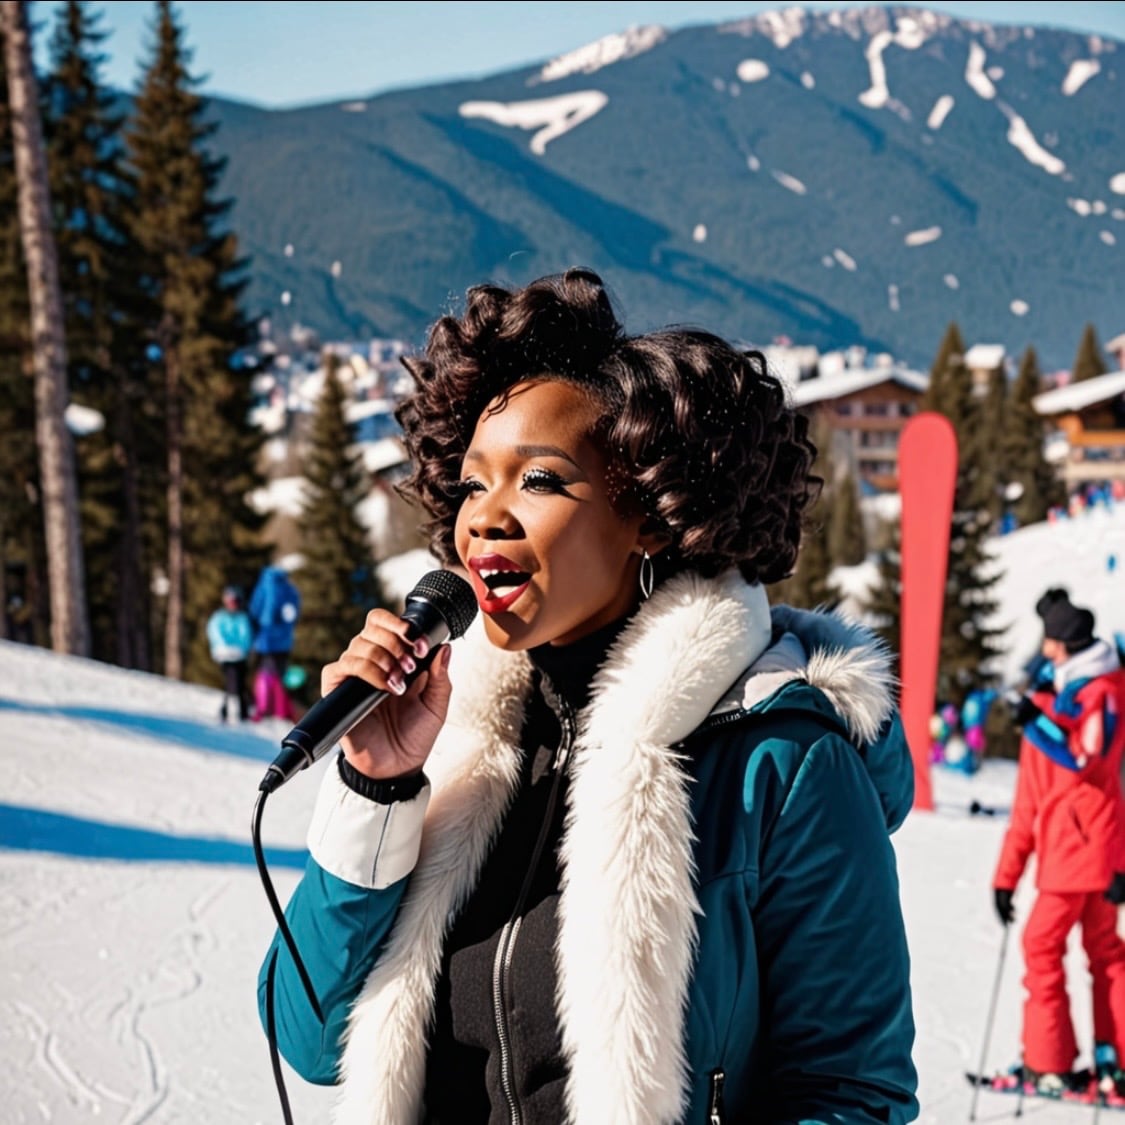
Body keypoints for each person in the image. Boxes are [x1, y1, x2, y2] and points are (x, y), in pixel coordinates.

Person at [258, 269, 918, 1123]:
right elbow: (308, 1037)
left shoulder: (783, 763)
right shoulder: (456, 740)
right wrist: (375, 786)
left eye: (537, 480)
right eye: (472, 484)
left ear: (648, 513)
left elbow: (852, 1094)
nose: (484, 517)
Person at [993, 591, 1125, 1099]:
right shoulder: (1101, 690)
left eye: (1050, 640)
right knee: (1106, 951)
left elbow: (1037, 800)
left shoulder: (1087, 702)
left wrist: (1007, 877)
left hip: (1076, 853)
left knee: (1041, 945)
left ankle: (1049, 1063)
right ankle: (1114, 1060)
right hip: (1102, 851)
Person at [248, 564, 301, 720]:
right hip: (284, 641)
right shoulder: (289, 589)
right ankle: (281, 710)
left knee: (265, 674)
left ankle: (263, 708)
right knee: (280, 675)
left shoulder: (262, 587)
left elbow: (254, 610)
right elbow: (293, 615)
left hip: (264, 640)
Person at [206, 585, 252, 722]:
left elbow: (246, 636)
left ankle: (242, 711)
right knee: (231, 682)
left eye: (235, 601)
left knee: (240, 682)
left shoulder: (242, 618)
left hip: (239, 656)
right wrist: (224, 648)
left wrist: (241, 649)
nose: (233, 605)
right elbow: (215, 634)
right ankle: (227, 709)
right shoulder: (219, 617)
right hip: (225, 655)